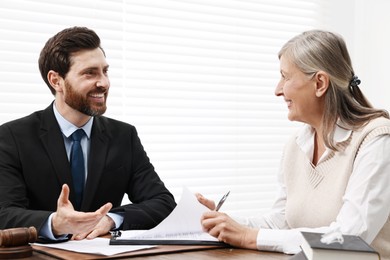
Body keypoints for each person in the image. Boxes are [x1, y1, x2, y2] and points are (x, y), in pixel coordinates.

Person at [196, 30, 390, 259]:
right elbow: (281, 222)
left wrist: (249, 236)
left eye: (285, 77)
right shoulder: (296, 145)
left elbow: (349, 238)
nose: (278, 90)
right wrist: (223, 223)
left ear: (319, 83)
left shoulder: (376, 139)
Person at [0, 26, 176, 242]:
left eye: (105, 71)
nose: (103, 82)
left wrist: (111, 219)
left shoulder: (124, 135)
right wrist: (55, 223)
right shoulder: (12, 137)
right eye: (89, 73)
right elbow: (4, 212)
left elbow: (163, 202)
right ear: (56, 81)